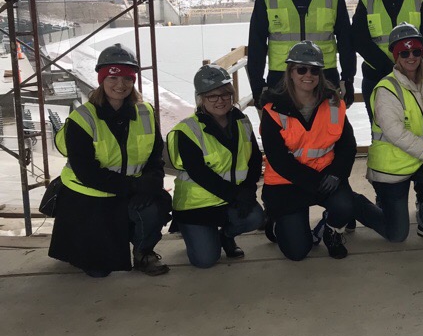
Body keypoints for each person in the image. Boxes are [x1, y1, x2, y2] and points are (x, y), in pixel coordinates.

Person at [48, 44, 170, 277]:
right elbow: (86, 171)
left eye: (127, 78)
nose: (120, 85)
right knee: (98, 271)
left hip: (128, 189)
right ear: (102, 79)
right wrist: (133, 187)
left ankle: (143, 252)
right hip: (89, 195)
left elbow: (155, 155)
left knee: (153, 208)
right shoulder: (82, 118)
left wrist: (152, 182)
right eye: (113, 77)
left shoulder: (145, 112)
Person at [259, 40, 382, 261]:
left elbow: (347, 146)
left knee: (343, 204)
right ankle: (277, 221)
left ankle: (332, 231)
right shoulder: (273, 109)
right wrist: (316, 182)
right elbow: (279, 160)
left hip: (327, 176)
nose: (308, 75)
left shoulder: (333, 103)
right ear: (291, 71)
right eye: (302, 69)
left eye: (314, 70)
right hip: (287, 183)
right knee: (297, 252)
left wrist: (337, 173)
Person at [352, 0, 423, 225]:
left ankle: (421, 192)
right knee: (382, 138)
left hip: (416, 77)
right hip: (378, 79)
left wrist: (410, 67)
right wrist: (392, 65)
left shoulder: (421, 0)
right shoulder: (366, 3)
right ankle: (382, 188)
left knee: (420, 130)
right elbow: (359, 40)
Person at [366, 24, 423, 245]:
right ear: (396, 56)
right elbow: (396, 134)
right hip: (392, 166)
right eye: (404, 53)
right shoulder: (386, 89)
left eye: (416, 51)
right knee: (397, 234)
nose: (411, 57)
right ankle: (357, 206)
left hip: (419, 159)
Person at [166, 65, 264, 268]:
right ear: (200, 98)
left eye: (225, 94)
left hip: (229, 200)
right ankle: (191, 231)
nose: (220, 100)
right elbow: (200, 174)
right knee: (205, 260)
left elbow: (254, 159)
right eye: (212, 96)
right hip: (196, 206)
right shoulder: (188, 130)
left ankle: (225, 236)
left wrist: (249, 189)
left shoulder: (242, 122)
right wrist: (236, 195)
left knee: (255, 217)